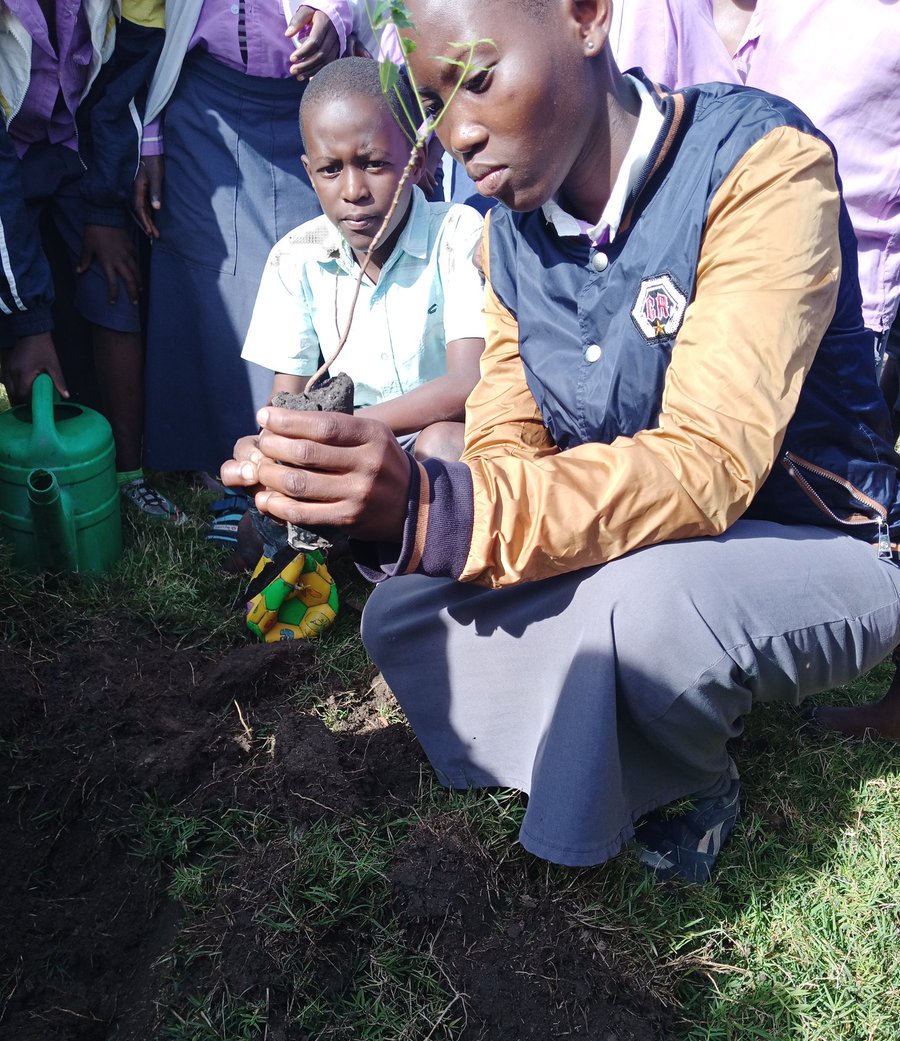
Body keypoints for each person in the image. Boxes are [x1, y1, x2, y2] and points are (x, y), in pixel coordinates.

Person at [222, 0, 900, 883]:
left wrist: (435, 505)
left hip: (818, 539)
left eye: (478, 76)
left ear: (585, 16)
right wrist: (382, 507)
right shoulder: (509, 245)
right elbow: (507, 445)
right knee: (405, 610)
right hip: (638, 548)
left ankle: (687, 781)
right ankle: (610, 720)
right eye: (433, 101)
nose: (457, 134)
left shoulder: (760, 167)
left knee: (646, 610)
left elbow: (711, 467)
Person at [611, 0, 900, 741]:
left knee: (865, 503)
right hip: (726, 306)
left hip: (864, 306)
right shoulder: (661, 13)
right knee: (743, 488)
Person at [230, 56, 484, 569]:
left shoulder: (458, 234)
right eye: (330, 170)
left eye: (374, 164)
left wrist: (346, 431)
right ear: (309, 171)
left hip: (435, 437)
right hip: (345, 451)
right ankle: (351, 547)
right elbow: (290, 399)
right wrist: (274, 447)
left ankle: (415, 561)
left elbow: (468, 382)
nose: (353, 192)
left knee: (443, 447)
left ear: (416, 159)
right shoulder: (294, 259)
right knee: (253, 531)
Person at [134, 0, 356, 478]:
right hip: (203, 103)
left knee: (316, 271)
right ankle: (211, 458)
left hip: (310, 101)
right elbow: (157, 24)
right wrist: (150, 136)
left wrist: (335, 16)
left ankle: (303, 448)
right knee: (207, 275)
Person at [0, 0, 181, 520]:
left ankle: (128, 475)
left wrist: (104, 205)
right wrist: (30, 318)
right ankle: (40, 473)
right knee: (17, 303)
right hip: (9, 150)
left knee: (115, 277)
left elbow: (124, 77)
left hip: (80, 138)